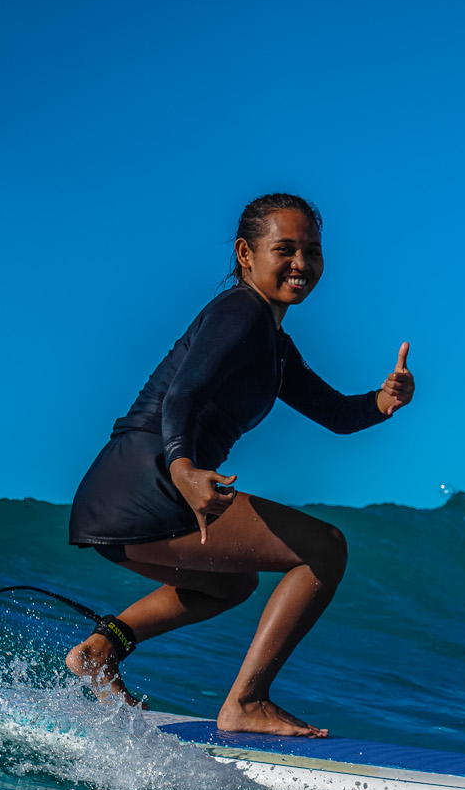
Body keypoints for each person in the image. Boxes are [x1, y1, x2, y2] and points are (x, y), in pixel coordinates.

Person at [65, 193, 415, 736]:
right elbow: (182, 395)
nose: (301, 263)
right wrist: (183, 469)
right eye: (285, 249)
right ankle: (246, 702)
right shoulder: (240, 311)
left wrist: (382, 402)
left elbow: (335, 414)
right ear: (246, 254)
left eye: (312, 251)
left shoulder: (272, 342)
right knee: (324, 548)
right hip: (148, 477)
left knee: (231, 584)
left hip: (122, 490)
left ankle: (102, 649)